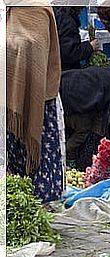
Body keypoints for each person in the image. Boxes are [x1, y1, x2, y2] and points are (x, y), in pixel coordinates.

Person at [7, 6, 65, 202]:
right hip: (7, 103)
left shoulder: (37, 8)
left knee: (39, 157)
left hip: (39, 101)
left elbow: (35, 46)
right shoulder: (7, 10)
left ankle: (42, 207)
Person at [53, 6, 99, 71]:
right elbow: (69, 53)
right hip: (66, 71)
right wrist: (90, 46)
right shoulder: (67, 20)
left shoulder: (58, 13)